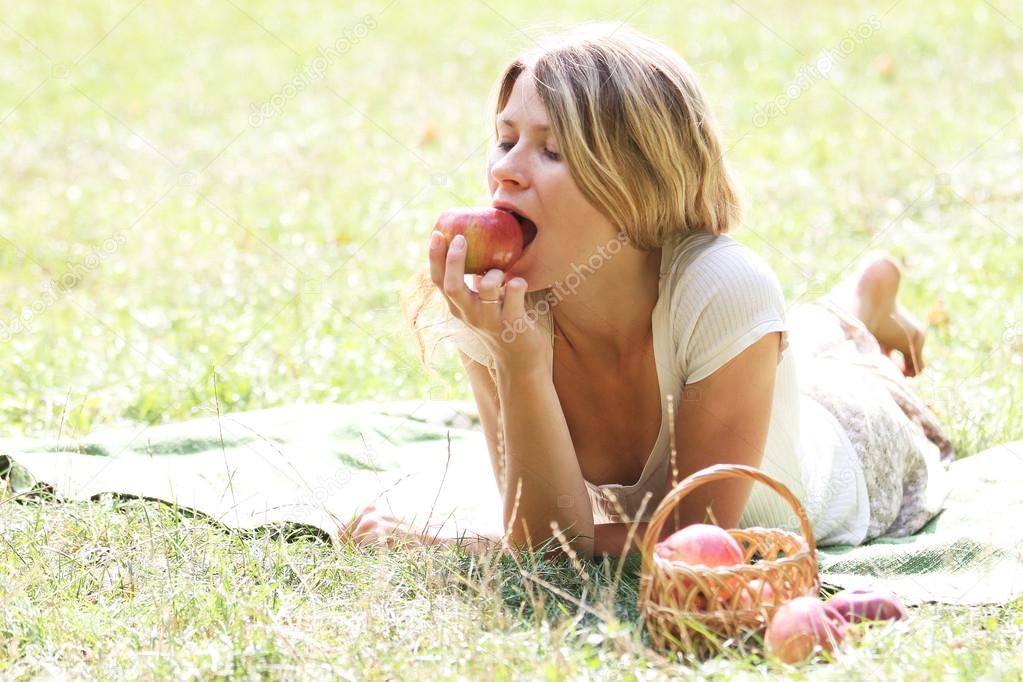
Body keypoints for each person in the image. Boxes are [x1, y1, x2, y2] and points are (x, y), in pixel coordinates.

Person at [359, 23, 953, 559]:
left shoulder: (725, 288)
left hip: (849, 444)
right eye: (505, 139)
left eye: (552, 150)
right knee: (796, 347)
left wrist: (463, 544)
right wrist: (519, 362)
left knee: (835, 370)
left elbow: (695, 539)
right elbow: (545, 543)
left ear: (639, 181)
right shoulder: (494, 309)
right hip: (744, 364)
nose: (506, 171)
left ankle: (860, 301)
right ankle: (854, 304)